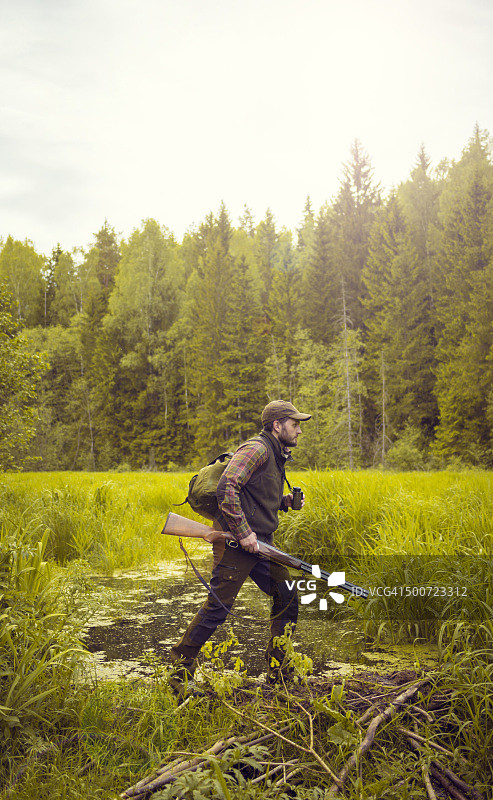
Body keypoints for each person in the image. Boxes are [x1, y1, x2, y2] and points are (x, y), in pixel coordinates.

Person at [169, 400, 311, 695]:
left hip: (260, 544)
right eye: (295, 424)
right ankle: (178, 673)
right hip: (238, 543)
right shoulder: (257, 448)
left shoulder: (276, 454)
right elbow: (227, 487)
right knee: (217, 609)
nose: (299, 430)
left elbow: (253, 495)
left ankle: (279, 672)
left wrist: (283, 503)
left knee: (286, 594)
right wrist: (244, 533)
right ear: (277, 425)